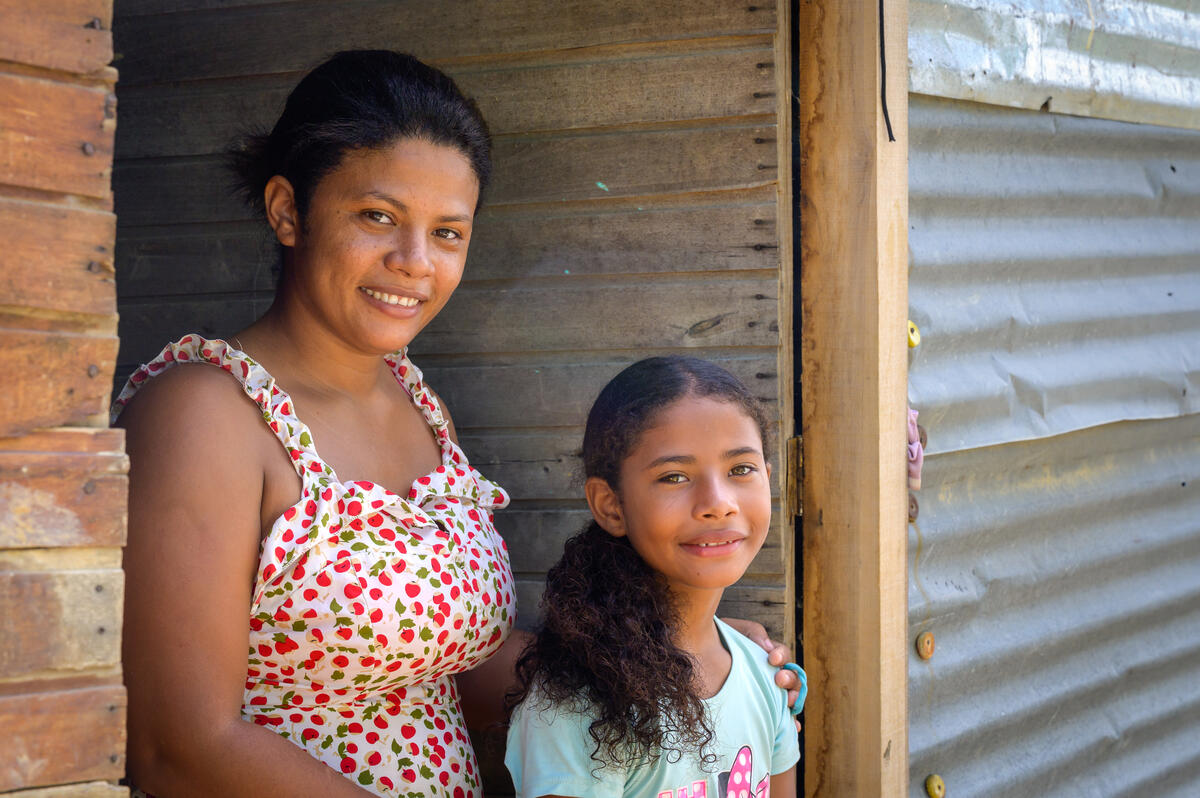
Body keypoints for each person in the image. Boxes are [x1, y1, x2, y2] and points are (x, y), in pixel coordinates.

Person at [115, 50, 802, 798]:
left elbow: (450, 659)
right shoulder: (202, 412)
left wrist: (689, 665)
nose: (415, 262)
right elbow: (177, 745)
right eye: (377, 216)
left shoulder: (415, 404)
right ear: (288, 211)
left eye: (448, 232)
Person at [504, 356, 808, 798]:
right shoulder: (578, 707)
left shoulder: (768, 677)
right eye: (674, 476)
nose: (717, 502)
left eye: (740, 469)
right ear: (610, 505)